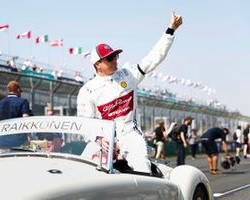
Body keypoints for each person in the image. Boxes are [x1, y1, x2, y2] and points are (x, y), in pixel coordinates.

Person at [77, 11, 182, 173]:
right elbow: (85, 124)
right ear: (98, 64)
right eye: (110, 58)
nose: (116, 60)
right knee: (82, 167)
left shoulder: (128, 75)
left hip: (129, 133)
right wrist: (98, 139)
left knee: (142, 166)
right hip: (103, 138)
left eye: (116, 56)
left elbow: (153, 58)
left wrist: (171, 30)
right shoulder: (87, 90)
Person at [0, 81, 30, 152]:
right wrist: (28, 136)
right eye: (20, 91)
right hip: (18, 141)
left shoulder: (1, 102)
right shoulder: (23, 101)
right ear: (17, 90)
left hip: (2, 141)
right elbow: (26, 120)